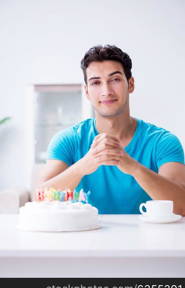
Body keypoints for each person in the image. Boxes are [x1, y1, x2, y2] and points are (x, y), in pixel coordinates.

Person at [38, 45, 185, 215]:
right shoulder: (68, 140)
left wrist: (132, 166)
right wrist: (84, 165)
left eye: (115, 80)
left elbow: (182, 206)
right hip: (83, 238)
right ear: (86, 91)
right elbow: (39, 197)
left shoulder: (162, 142)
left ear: (130, 84)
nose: (106, 91)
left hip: (146, 239)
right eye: (96, 82)